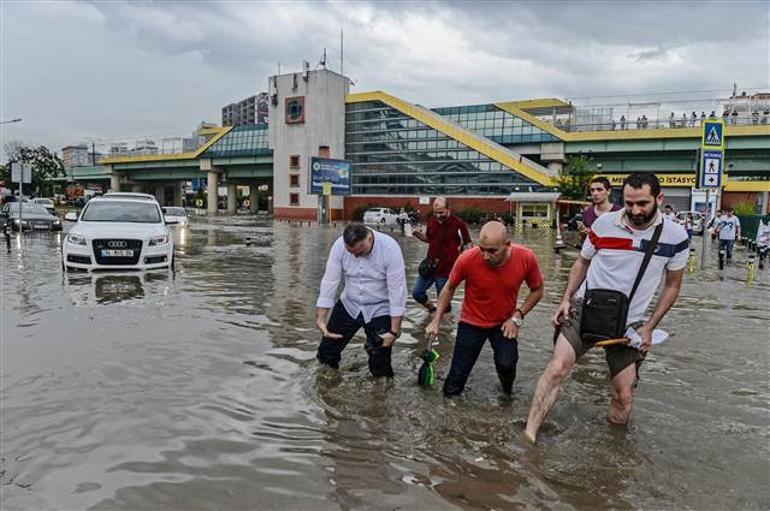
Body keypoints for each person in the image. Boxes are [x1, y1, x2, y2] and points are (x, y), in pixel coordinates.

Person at [525, 173, 689, 443]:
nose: (635, 211)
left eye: (643, 204)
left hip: (630, 321)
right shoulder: (603, 224)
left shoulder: (676, 236)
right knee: (557, 369)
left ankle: (614, 450)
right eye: (629, 203)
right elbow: (582, 262)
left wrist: (650, 327)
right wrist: (565, 299)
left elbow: (673, 285)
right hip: (585, 307)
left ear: (659, 198)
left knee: (623, 395)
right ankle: (529, 436)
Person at [425, 222, 544, 396]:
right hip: (471, 322)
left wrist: (518, 315)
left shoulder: (526, 257)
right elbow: (449, 288)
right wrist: (436, 320)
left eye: (492, 251)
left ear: (507, 245)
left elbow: (538, 290)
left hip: (504, 323)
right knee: (455, 380)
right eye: (482, 249)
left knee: (507, 366)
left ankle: (507, 397)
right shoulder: (467, 258)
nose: (486, 256)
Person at [315, 223, 407, 377]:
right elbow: (330, 281)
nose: (356, 257)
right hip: (349, 304)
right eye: (351, 253)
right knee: (325, 354)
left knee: (380, 364)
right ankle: (327, 384)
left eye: (360, 252)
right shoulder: (339, 246)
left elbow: (397, 291)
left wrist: (393, 331)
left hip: (380, 308)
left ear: (369, 238)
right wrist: (321, 318)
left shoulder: (390, 248)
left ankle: (382, 390)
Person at [412, 197, 472, 313]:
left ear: (449, 208)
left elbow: (468, 243)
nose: (438, 216)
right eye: (435, 213)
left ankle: (446, 321)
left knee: (443, 300)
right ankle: (432, 309)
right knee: (417, 293)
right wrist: (417, 234)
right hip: (429, 266)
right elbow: (429, 239)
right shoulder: (431, 221)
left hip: (446, 269)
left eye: (441, 212)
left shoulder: (458, 224)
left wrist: (470, 259)